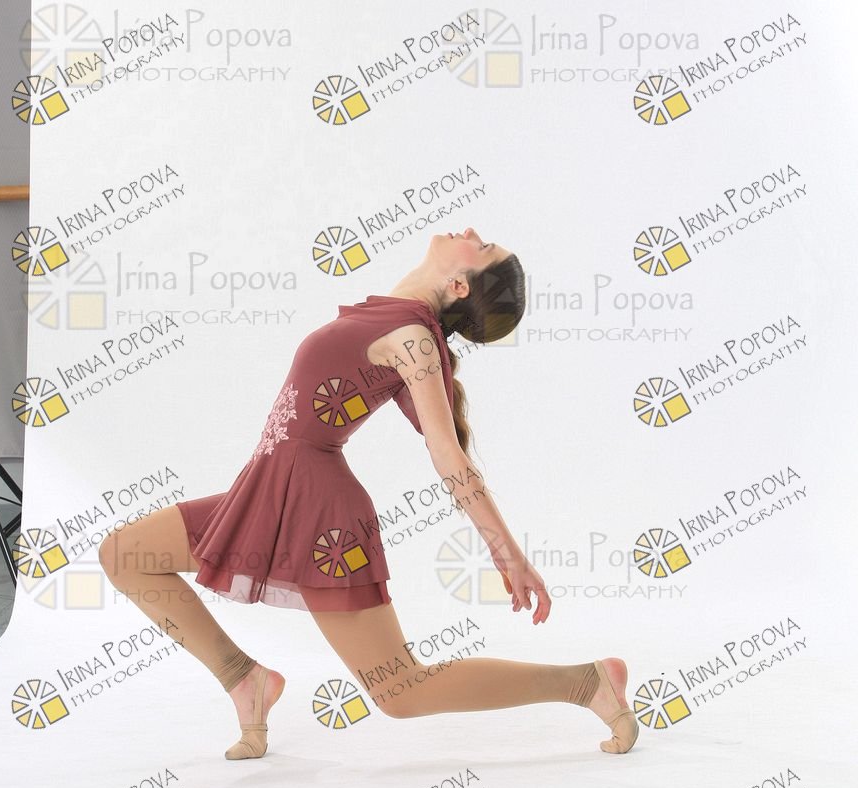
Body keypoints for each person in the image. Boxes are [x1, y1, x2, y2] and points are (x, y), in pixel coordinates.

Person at [98, 227, 637, 760]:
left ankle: (586, 683)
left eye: (483, 246)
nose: (473, 232)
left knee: (401, 691)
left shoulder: (412, 339)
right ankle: (244, 679)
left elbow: (449, 456)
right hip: (270, 492)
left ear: (460, 285)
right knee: (126, 554)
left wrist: (508, 554)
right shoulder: (394, 319)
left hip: (318, 513)